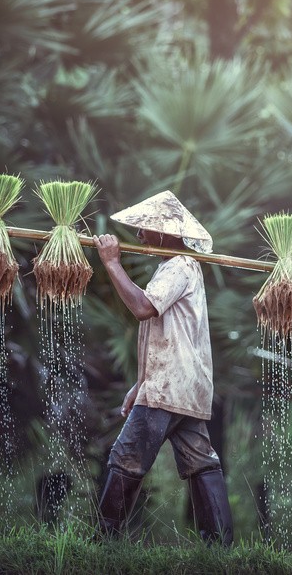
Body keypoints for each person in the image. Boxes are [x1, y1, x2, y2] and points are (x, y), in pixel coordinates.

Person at [92, 190, 233, 546]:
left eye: (145, 229)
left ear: (165, 231)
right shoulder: (181, 269)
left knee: (126, 457)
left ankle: (103, 542)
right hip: (185, 386)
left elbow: (142, 308)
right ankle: (220, 548)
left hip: (169, 388)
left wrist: (111, 263)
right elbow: (161, 334)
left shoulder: (178, 267)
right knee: (202, 462)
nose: (139, 237)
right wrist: (141, 382)